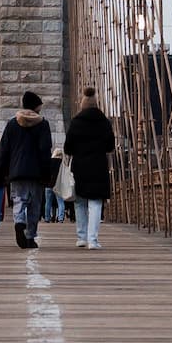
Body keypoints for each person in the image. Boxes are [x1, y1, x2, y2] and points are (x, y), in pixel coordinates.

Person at [0, 92, 54, 251]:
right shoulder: (43, 124)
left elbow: (4, 150)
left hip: (17, 171)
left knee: (19, 200)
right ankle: (30, 237)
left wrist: (2, 172)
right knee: (35, 206)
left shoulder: (12, 124)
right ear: (36, 106)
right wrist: (47, 173)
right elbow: (45, 150)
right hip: (36, 172)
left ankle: (19, 222)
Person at [64, 86, 116, 251]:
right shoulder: (104, 122)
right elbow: (110, 146)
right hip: (98, 167)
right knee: (95, 203)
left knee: (80, 202)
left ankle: (81, 238)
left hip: (79, 167)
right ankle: (93, 240)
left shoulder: (75, 122)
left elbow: (67, 148)